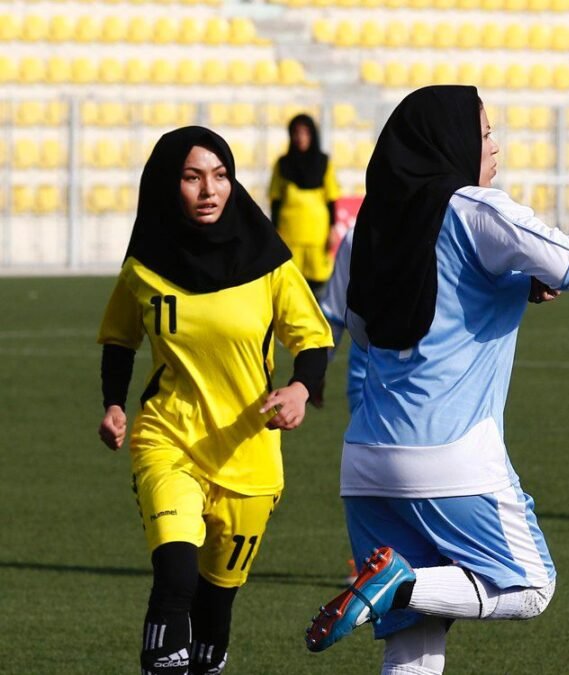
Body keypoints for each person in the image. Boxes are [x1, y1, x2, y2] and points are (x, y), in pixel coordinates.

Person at [303, 85, 569, 674]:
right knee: (531, 587)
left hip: (365, 463)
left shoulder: (365, 230)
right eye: (484, 134)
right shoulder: (474, 207)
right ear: (451, 143)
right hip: (452, 455)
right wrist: (517, 277)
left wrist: (506, 285)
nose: (495, 147)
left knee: (413, 647)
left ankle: (394, 586)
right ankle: (399, 583)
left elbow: (354, 323)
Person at [96, 126, 334, 675]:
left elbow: (312, 337)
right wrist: (112, 403)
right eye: (191, 177)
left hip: (249, 456)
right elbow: (119, 338)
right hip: (169, 440)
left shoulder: (268, 263)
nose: (209, 190)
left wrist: (300, 388)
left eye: (221, 176)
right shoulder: (144, 267)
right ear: (167, 184)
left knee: (214, 606)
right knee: (175, 575)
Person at [270, 113, 342, 295]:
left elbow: (331, 198)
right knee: (291, 285)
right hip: (290, 234)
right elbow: (276, 199)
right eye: (296, 133)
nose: (301, 137)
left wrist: (333, 228)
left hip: (317, 235)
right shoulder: (282, 164)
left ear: (313, 135)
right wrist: (274, 229)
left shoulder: (324, 162)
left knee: (319, 286)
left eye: (305, 133)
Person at [318, 225, 368, 414]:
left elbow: (334, 315)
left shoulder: (452, 230)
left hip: (441, 392)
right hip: (368, 389)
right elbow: (334, 315)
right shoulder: (357, 237)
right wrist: (315, 371)